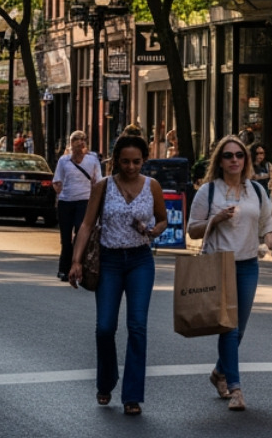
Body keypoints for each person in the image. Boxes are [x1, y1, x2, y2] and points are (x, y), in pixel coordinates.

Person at [68, 134, 168, 416]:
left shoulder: (153, 186)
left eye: (137, 161)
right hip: (109, 261)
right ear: (116, 160)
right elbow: (87, 225)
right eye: (125, 161)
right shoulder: (103, 186)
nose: (131, 167)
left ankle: (132, 395)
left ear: (144, 160)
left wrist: (153, 230)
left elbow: (163, 219)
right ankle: (106, 380)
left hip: (140, 261)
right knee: (104, 328)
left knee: (137, 326)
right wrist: (76, 261)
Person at [187, 136, 272, 412]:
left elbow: (266, 221)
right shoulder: (209, 192)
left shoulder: (256, 191)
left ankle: (218, 372)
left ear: (246, 160)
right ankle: (236, 389)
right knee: (229, 327)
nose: (235, 160)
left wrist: (271, 238)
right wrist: (216, 219)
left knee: (239, 330)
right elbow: (192, 229)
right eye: (228, 156)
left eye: (239, 155)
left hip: (248, 265)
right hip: (219, 265)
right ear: (220, 161)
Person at [52, 130, 102, 283]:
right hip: (66, 202)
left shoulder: (92, 161)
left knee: (80, 234)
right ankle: (64, 269)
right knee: (65, 238)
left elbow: (98, 181)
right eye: (76, 141)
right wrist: (60, 191)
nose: (80, 144)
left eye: (82, 141)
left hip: (84, 201)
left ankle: (79, 267)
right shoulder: (64, 161)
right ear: (71, 144)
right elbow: (57, 181)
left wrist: (95, 200)